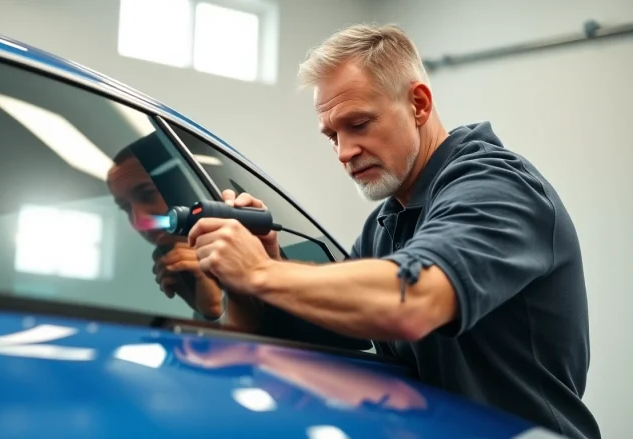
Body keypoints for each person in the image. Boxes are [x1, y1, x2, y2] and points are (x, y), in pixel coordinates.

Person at [184, 24, 600, 439]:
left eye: (359, 124)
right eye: (332, 136)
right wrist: (261, 268)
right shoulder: (387, 222)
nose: (344, 152)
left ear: (418, 104)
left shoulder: (497, 186)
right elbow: (338, 330)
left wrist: (259, 271)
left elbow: (414, 301)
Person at [106, 142, 223, 320]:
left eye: (148, 194)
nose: (139, 221)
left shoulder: (276, 259)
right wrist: (207, 309)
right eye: (125, 208)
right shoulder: (179, 278)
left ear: (190, 187)